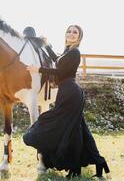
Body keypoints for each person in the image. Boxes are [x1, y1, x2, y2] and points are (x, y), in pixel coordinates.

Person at [24, 25, 111, 179]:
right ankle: (98, 163)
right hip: (67, 92)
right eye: (69, 31)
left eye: (75, 32)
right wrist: (47, 46)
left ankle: (75, 167)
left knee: (50, 122)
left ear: (79, 38)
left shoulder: (75, 53)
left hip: (71, 93)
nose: (71, 34)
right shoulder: (67, 52)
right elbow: (57, 61)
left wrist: (38, 69)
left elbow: (61, 72)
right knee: (79, 131)